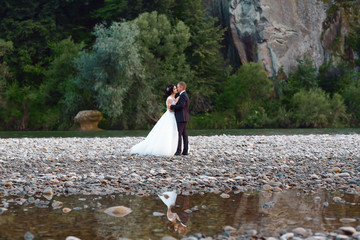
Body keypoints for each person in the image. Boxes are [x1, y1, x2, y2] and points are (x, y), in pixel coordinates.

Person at [130, 85, 178, 156]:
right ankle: (165, 149)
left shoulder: (174, 98)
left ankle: (175, 148)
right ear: (171, 91)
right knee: (168, 131)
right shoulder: (170, 98)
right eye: (174, 88)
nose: (176, 89)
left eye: (176, 88)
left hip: (174, 116)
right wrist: (176, 102)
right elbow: (170, 109)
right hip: (170, 116)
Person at [170, 81, 190, 156]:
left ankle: (178, 151)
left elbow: (181, 106)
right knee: (184, 134)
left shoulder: (183, 95)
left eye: (178, 87)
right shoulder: (184, 95)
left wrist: (172, 106)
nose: (177, 88)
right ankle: (185, 151)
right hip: (183, 117)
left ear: (182, 88)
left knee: (179, 134)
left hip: (181, 117)